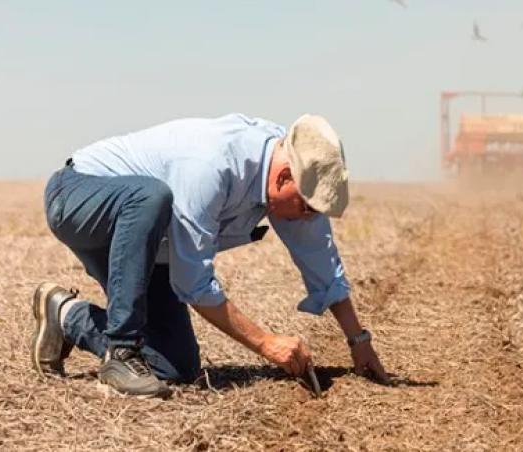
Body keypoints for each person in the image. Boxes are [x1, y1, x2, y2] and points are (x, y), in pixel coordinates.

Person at [31, 113, 388, 397]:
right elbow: (193, 280)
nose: (310, 217)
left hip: (146, 242)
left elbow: (321, 260)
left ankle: (66, 315)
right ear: (283, 179)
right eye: (308, 208)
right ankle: (121, 353)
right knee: (150, 198)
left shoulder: (296, 175)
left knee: (174, 367)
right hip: (78, 197)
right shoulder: (211, 164)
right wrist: (267, 343)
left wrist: (358, 341)